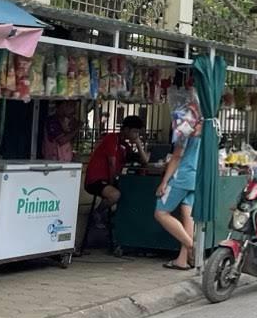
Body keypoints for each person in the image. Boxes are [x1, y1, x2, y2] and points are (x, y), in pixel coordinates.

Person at [155, 95, 201, 270]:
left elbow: (177, 156)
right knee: (188, 217)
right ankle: (182, 260)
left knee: (160, 213)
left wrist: (164, 181)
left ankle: (191, 245)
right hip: (195, 177)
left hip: (181, 176)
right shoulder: (205, 127)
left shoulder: (184, 127)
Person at [84, 115, 147, 211]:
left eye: (138, 133)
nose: (136, 135)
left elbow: (144, 161)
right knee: (114, 195)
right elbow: (111, 164)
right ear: (126, 129)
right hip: (95, 180)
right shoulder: (112, 138)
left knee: (133, 190)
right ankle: (97, 214)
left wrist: (138, 144)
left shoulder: (125, 145)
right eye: (135, 132)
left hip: (109, 180)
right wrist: (113, 183)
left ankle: (118, 216)